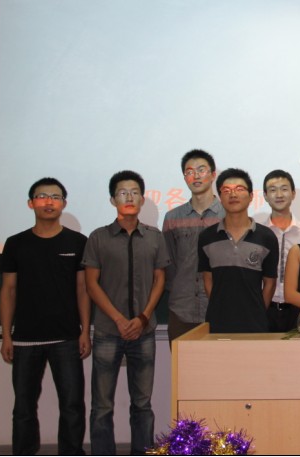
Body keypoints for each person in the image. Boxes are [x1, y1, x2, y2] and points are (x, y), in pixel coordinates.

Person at [0, 177, 90, 456]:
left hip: (66, 337)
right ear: (31, 203)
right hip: (25, 339)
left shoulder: (78, 242)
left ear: (64, 203)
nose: (49, 202)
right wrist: (6, 336)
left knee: (72, 405)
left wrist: (85, 331)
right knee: (23, 408)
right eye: (42, 196)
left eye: (55, 197)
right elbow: (8, 290)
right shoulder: (15, 243)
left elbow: (83, 290)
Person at [83, 170, 169, 455]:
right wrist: (119, 319)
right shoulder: (98, 237)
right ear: (112, 200)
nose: (129, 197)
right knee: (102, 405)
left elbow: (160, 280)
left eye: (134, 192)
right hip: (108, 331)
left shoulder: (154, 237)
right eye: (122, 192)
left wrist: (143, 317)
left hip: (144, 332)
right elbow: (91, 284)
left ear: (142, 199)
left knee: (142, 404)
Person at [199, 168, 278, 333]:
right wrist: (220, 308)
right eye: (226, 190)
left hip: (255, 325)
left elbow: (269, 284)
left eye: (239, 189)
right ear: (220, 197)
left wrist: (256, 312)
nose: (233, 194)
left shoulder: (266, 237)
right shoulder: (207, 236)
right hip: (217, 323)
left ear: (251, 196)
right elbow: (208, 279)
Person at [163, 149, 223, 345]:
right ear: (184, 178)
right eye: (190, 172)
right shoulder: (172, 218)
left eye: (201, 170)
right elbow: (170, 263)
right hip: (182, 310)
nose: (196, 176)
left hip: (219, 308)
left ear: (213, 175)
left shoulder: (228, 215)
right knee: (181, 365)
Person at [259, 170, 300, 332]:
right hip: (265, 308)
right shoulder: (258, 233)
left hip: (298, 310)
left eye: (284, 189)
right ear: (265, 196)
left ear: (293, 194)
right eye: (273, 190)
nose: (279, 195)